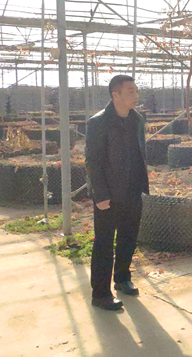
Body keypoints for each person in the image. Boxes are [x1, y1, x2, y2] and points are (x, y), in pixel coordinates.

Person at [85, 75, 149, 311]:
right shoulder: (99, 122)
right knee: (104, 243)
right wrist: (100, 194)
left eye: (136, 91)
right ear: (116, 95)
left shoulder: (137, 119)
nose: (136, 95)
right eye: (130, 91)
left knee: (128, 236)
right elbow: (93, 161)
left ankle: (122, 278)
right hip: (109, 194)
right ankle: (100, 294)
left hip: (132, 189)